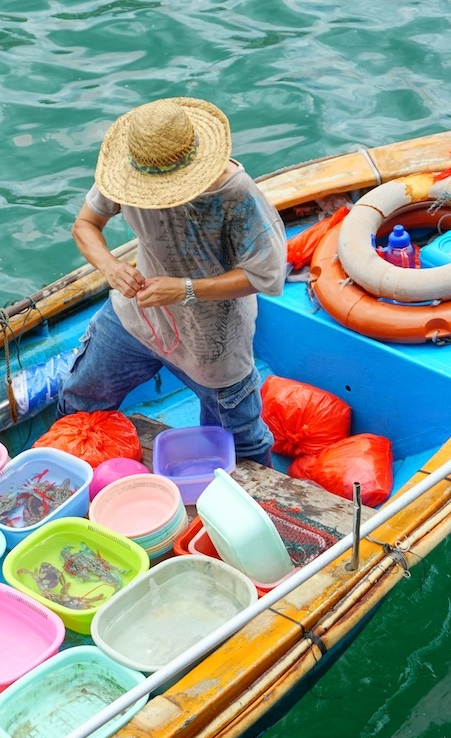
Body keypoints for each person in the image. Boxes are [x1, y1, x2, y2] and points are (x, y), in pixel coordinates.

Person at [57, 97, 287, 467]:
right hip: (137, 315)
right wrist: (111, 267)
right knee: (80, 399)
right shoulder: (124, 174)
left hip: (213, 335)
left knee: (240, 440)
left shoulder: (237, 194)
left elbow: (268, 274)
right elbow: (85, 225)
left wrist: (186, 289)